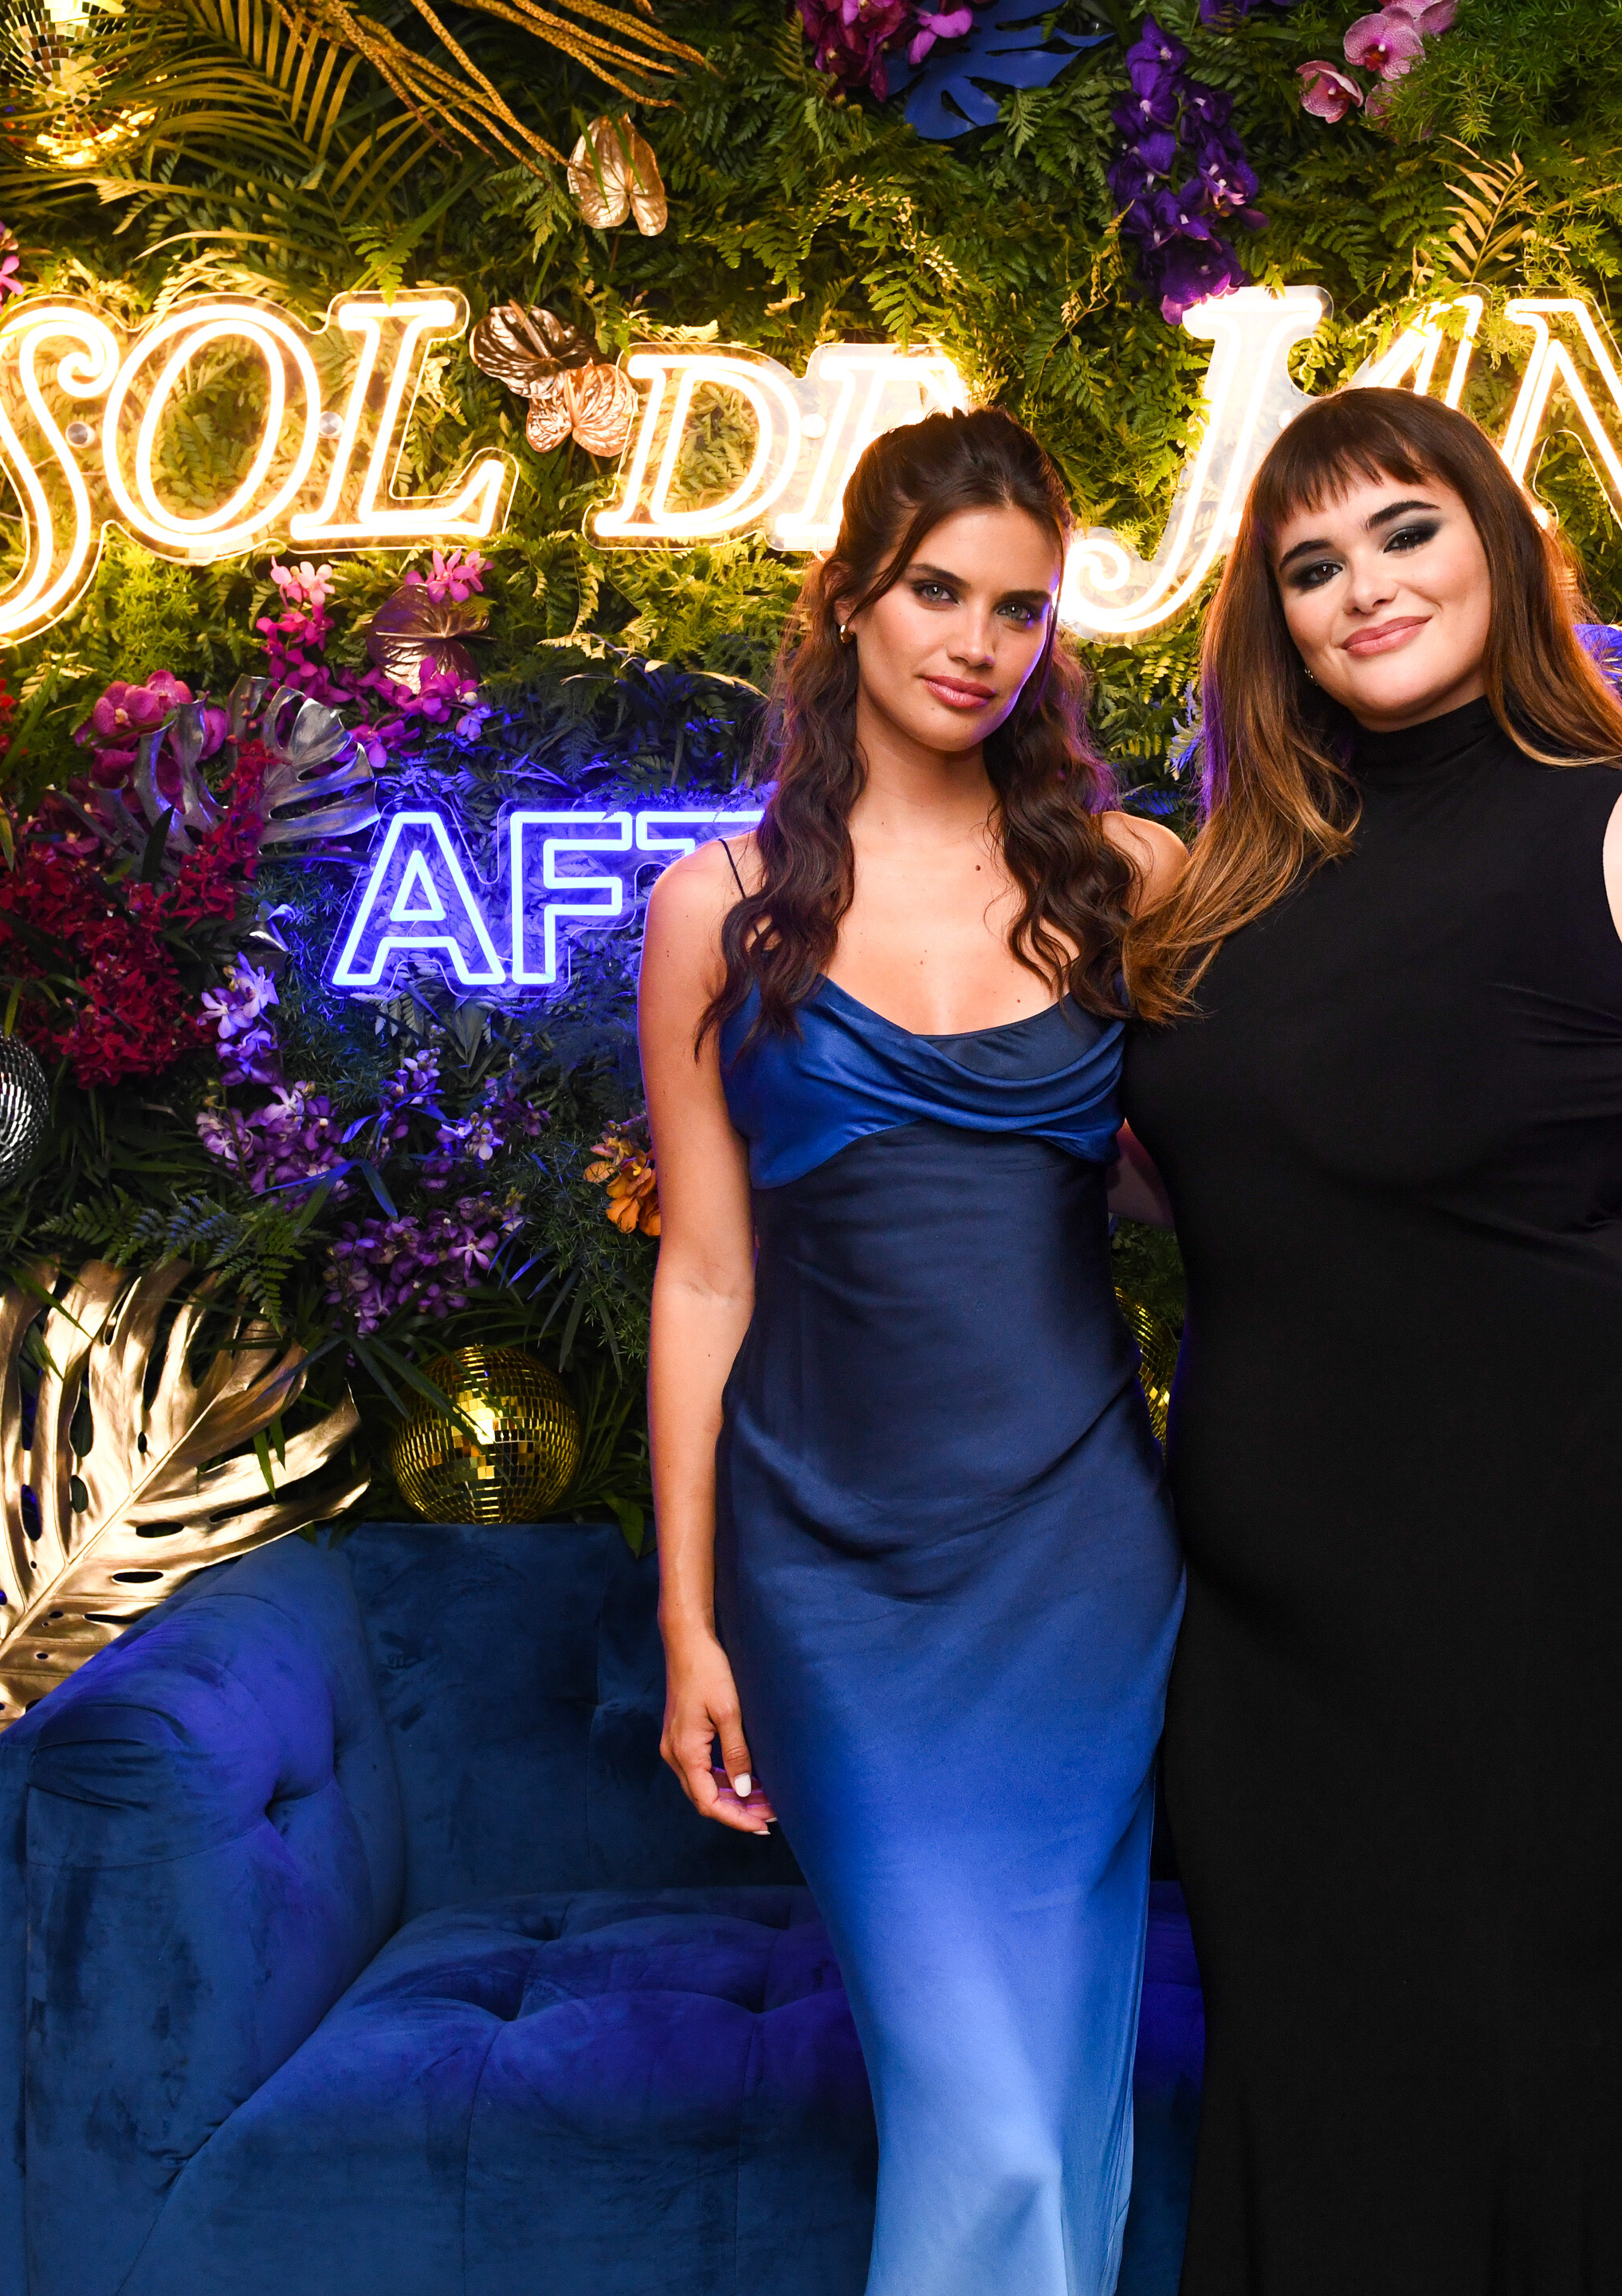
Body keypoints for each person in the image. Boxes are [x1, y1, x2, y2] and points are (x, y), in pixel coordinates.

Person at [1118, 387, 1622, 2294]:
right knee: (1309, 2098)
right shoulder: (1231, 878)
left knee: (1539, 2095)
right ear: (1273, 621)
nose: (1365, 586)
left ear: (1497, 547)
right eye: (1311, 564)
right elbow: (1251, 1183)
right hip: (1268, 1637)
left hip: (1565, 1593)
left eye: (1406, 530)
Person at [639, 407, 1188, 2296]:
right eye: (940, 591)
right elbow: (704, 1278)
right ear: (852, 598)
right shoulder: (718, 911)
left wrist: (1528, 1201)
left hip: (1079, 1562)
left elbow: (1248, 1176)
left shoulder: (1129, 877)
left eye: (1021, 609)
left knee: (1048, 2086)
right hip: (828, 1580)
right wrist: (690, 1624)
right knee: (988, 2108)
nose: (978, 642)